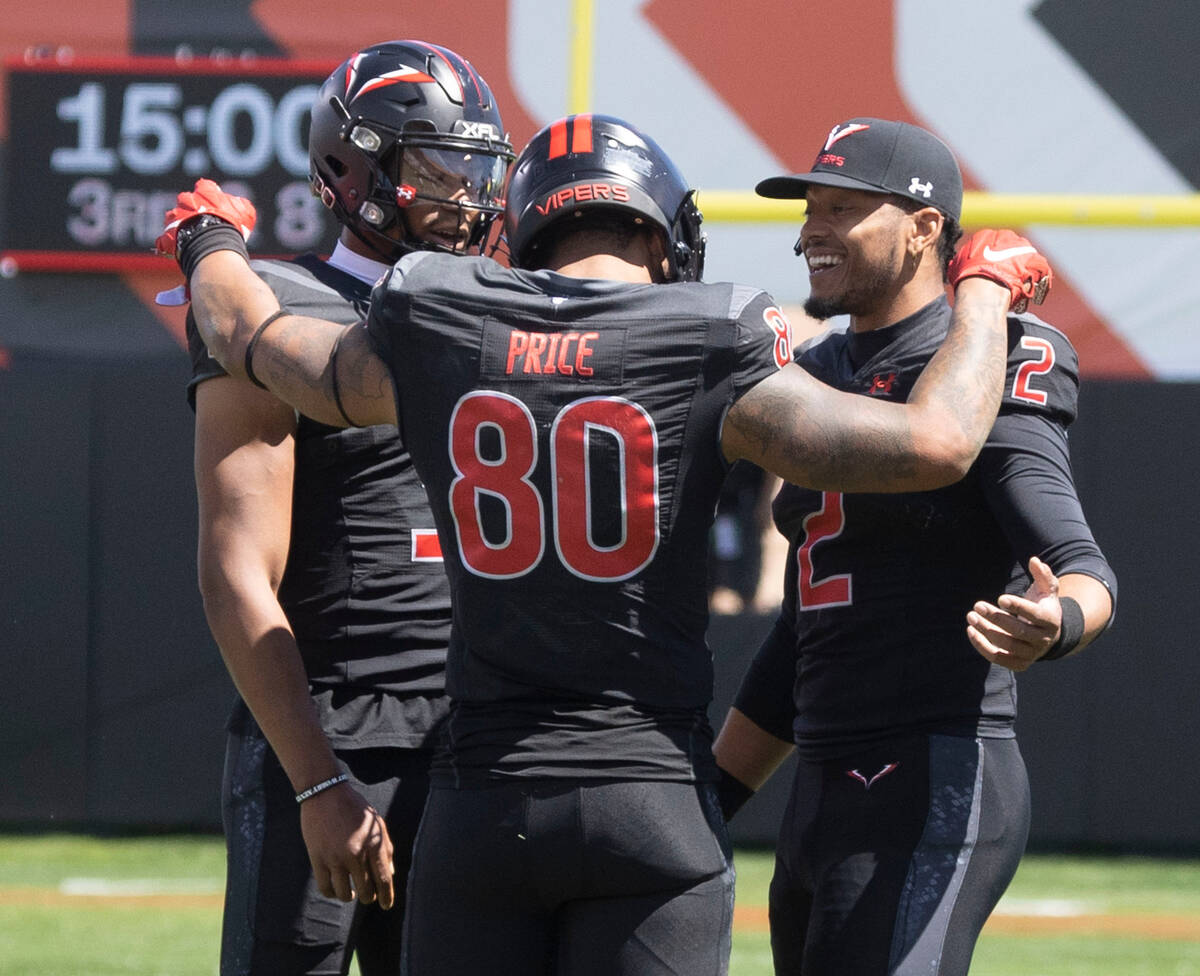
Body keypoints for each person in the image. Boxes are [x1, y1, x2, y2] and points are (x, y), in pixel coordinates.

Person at [157, 113, 1050, 976]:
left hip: (483, 803)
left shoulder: (441, 319)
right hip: (650, 796)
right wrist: (982, 291)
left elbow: (250, 338)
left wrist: (209, 244)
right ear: (663, 238)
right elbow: (938, 443)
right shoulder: (710, 332)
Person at [713, 117, 1118, 976]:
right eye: (809, 208)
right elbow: (807, 625)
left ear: (925, 227)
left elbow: (1082, 566)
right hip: (821, 781)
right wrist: (713, 796)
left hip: (934, 773)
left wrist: (1059, 620)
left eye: (843, 209)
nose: (811, 231)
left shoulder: (995, 353)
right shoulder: (812, 375)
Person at [180, 40, 513, 976]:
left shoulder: (495, 306)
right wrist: (316, 775)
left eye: (477, 169)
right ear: (350, 168)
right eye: (438, 167)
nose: (465, 194)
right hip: (338, 724)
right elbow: (237, 570)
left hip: (469, 731)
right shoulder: (282, 304)